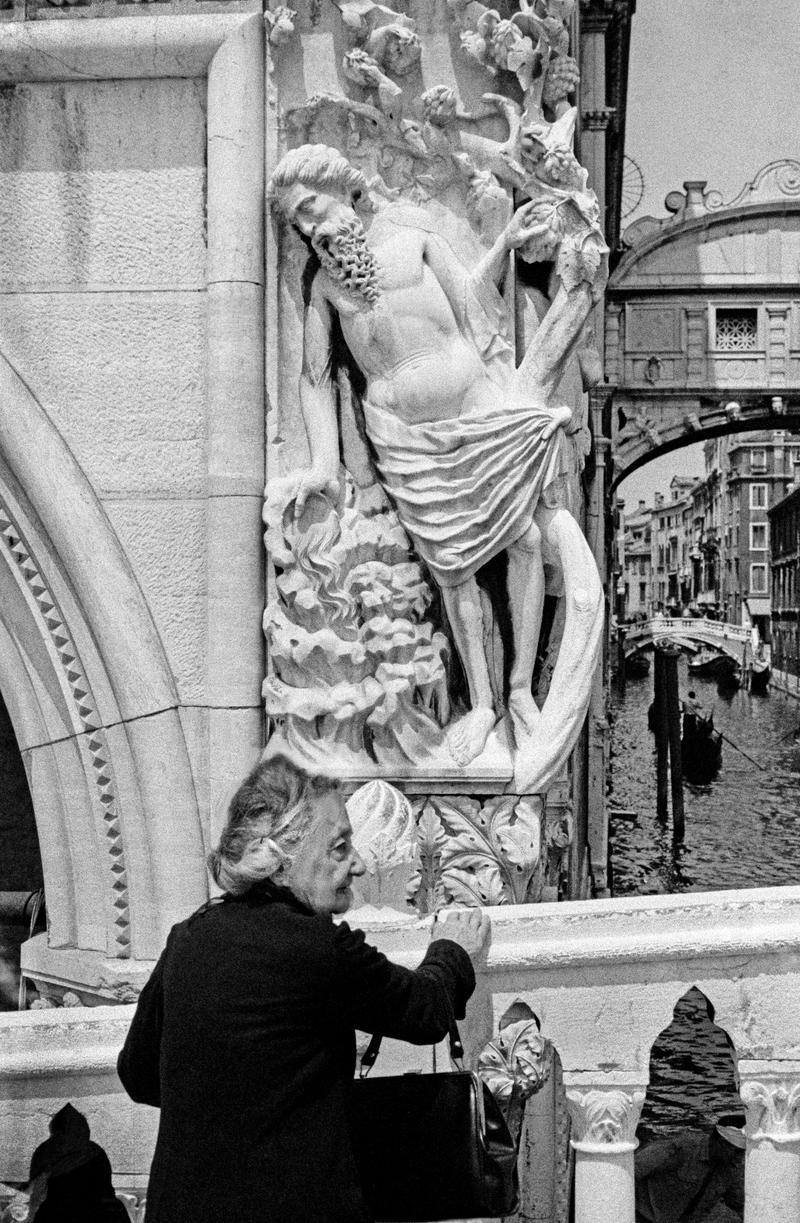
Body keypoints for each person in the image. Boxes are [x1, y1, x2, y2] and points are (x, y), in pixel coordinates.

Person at [267, 143, 601, 768]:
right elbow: (315, 377)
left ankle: (521, 691)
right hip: (403, 437)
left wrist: (503, 243)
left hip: (472, 407)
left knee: (524, 539)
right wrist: (320, 463)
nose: (311, 228)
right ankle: (480, 705)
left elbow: (475, 301)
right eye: (299, 225)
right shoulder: (324, 290)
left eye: (311, 208)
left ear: (345, 189)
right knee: (453, 566)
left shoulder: (413, 237)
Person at [117, 754, 487, 1223]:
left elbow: (137, 1072)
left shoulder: (189, 935)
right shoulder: (317, 949)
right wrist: (451, 949)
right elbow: (426, 1011)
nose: (357, 864)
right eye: (338, 847)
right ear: (282, 860)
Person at [21, 1104, 127, 1223]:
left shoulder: (45, 1151)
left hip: (58, 1213)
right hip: (100, 1213)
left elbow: (37, 1190)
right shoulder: (96, 1151)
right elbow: (107, 1186)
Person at [635, 1117, 745, 1222]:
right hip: (641, 1216)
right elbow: (633, 1169)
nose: (740, 1158)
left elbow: (739, 1204)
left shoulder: (730, 1168)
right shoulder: (683, 1147)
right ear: (721, 1142)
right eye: (737, 1152)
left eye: (743, 1153)